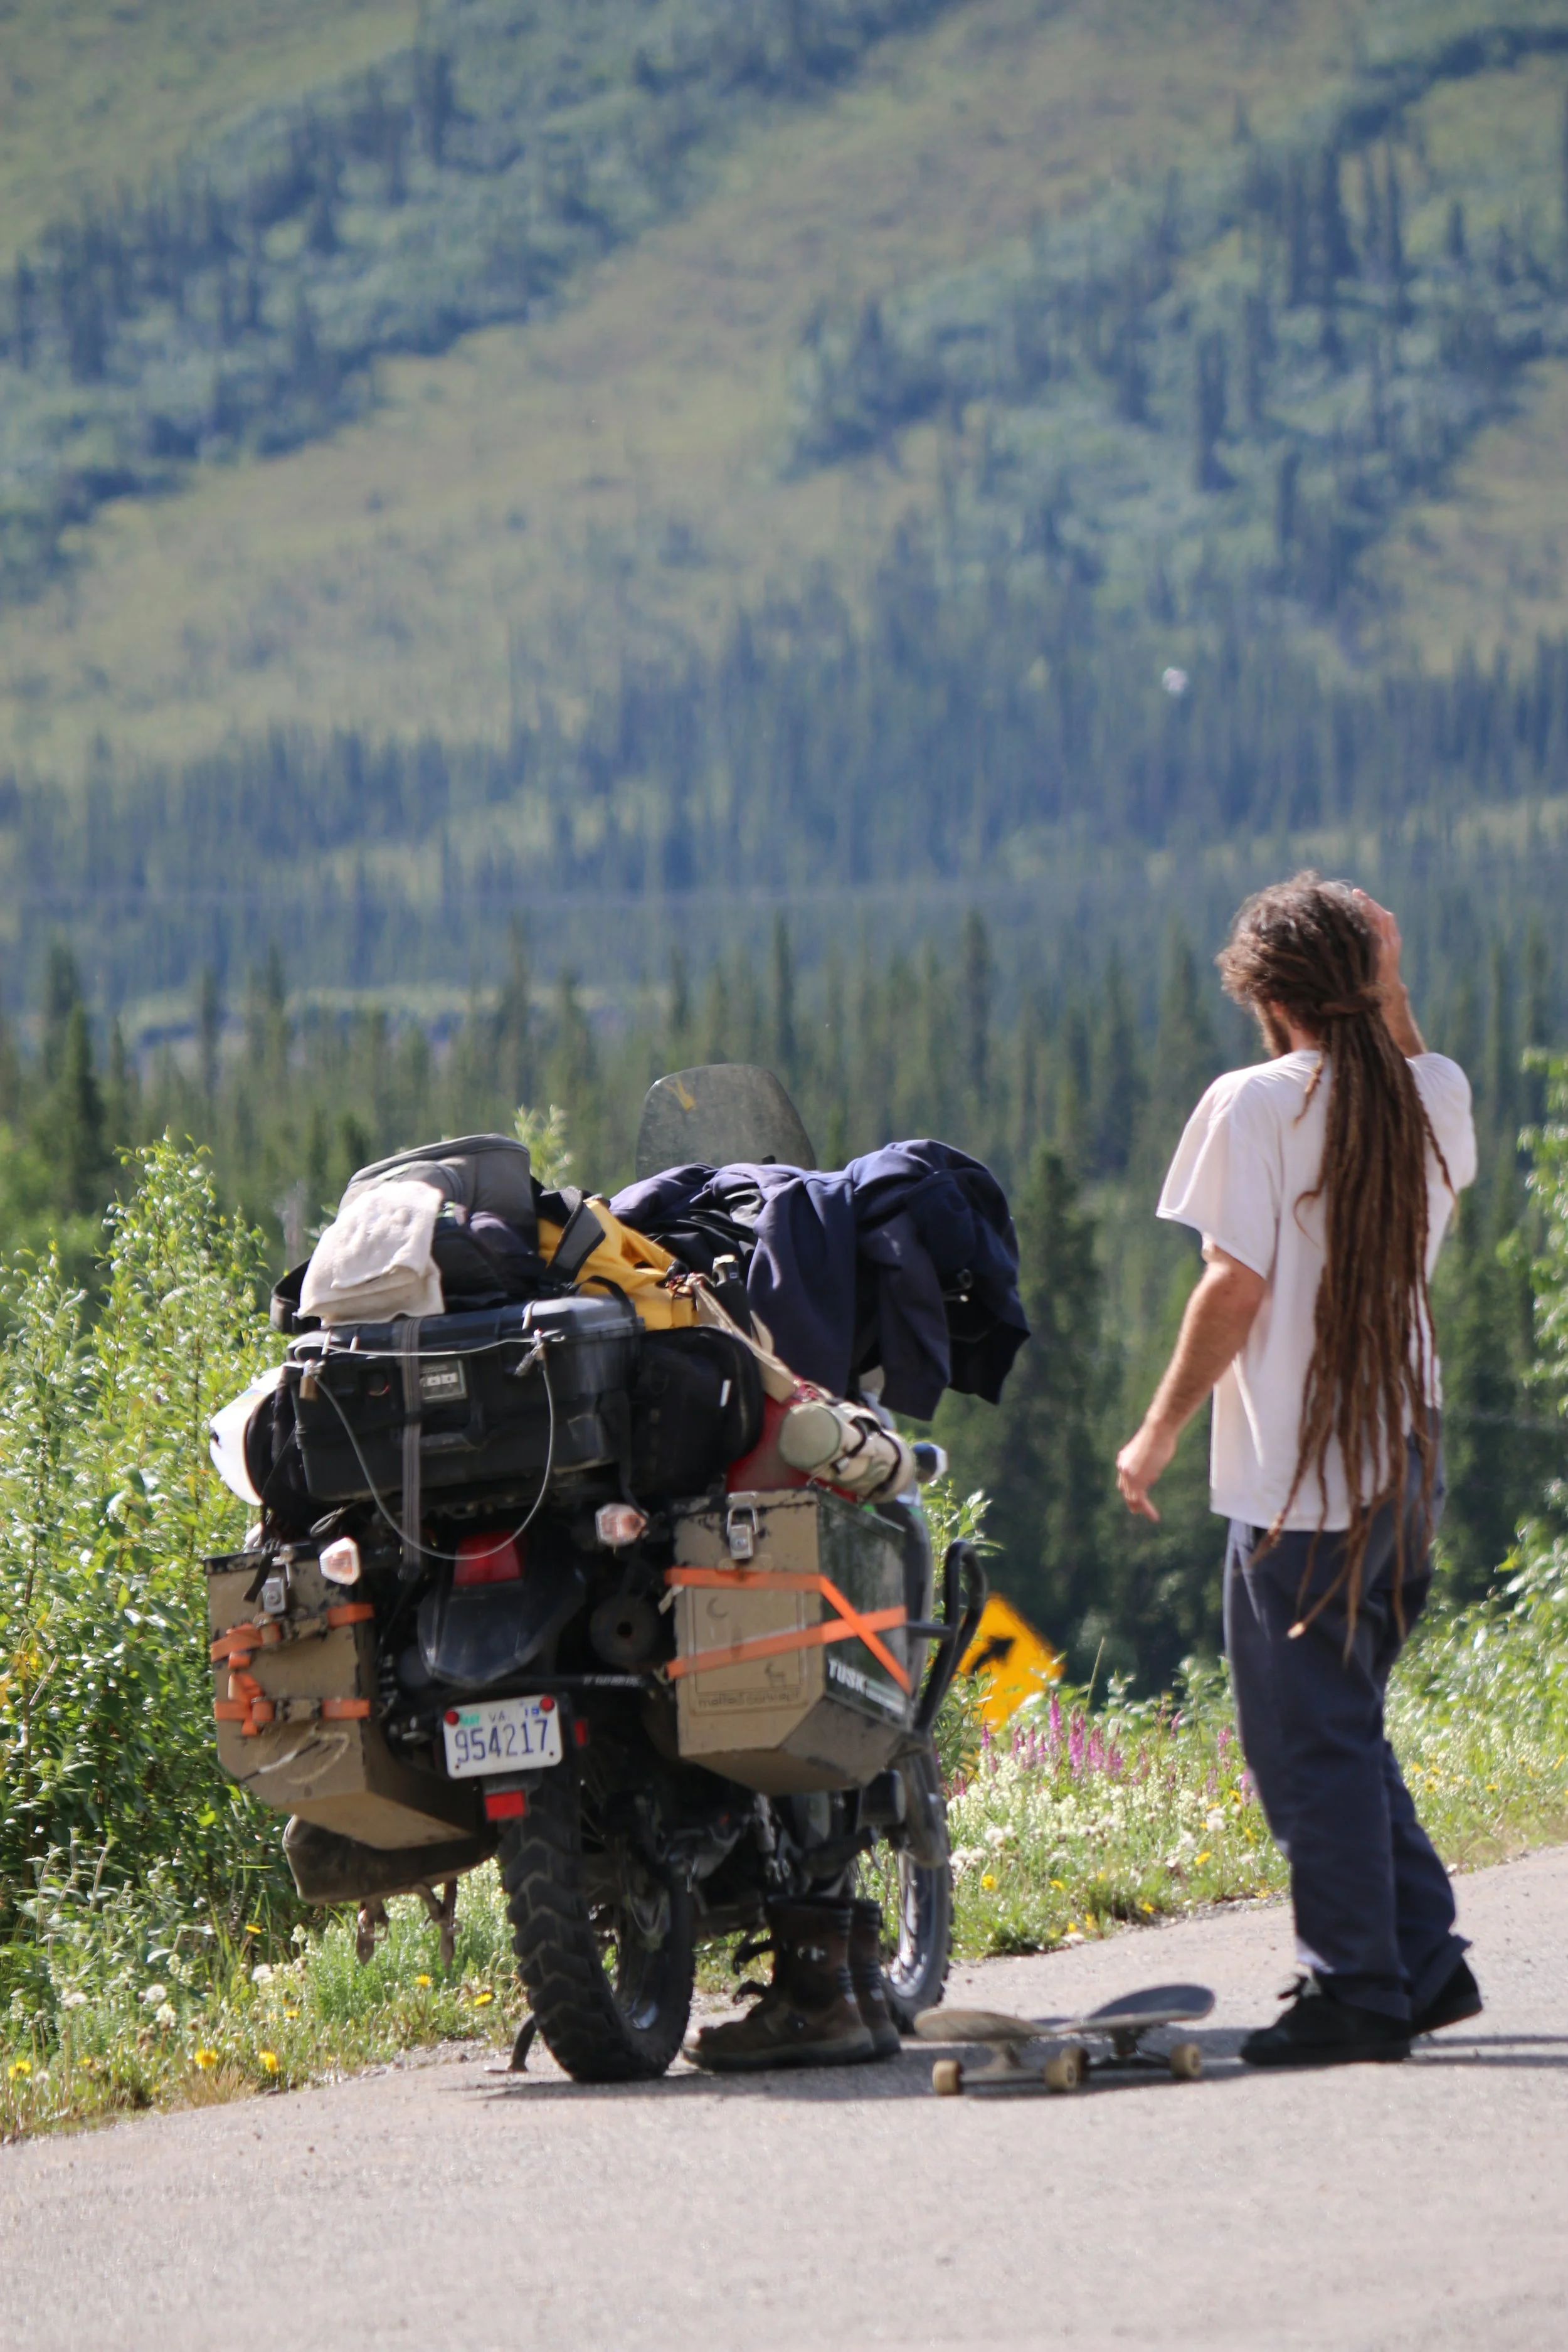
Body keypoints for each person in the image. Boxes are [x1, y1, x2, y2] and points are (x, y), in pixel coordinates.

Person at [1115, 876, 1481, 2067]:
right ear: (1375, 982)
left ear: (1269, 997)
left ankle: (1358, 1991)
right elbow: (1414, 1067)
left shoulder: (1256, 1104)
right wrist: (1394, 986)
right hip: (1404, 1455)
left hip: (1300, 1471)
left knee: (1303, 1739)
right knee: (1345, 1716)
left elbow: (1235, 1283)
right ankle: (1421, 1959)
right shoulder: (1432, 1092)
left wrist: (1160, 1426)